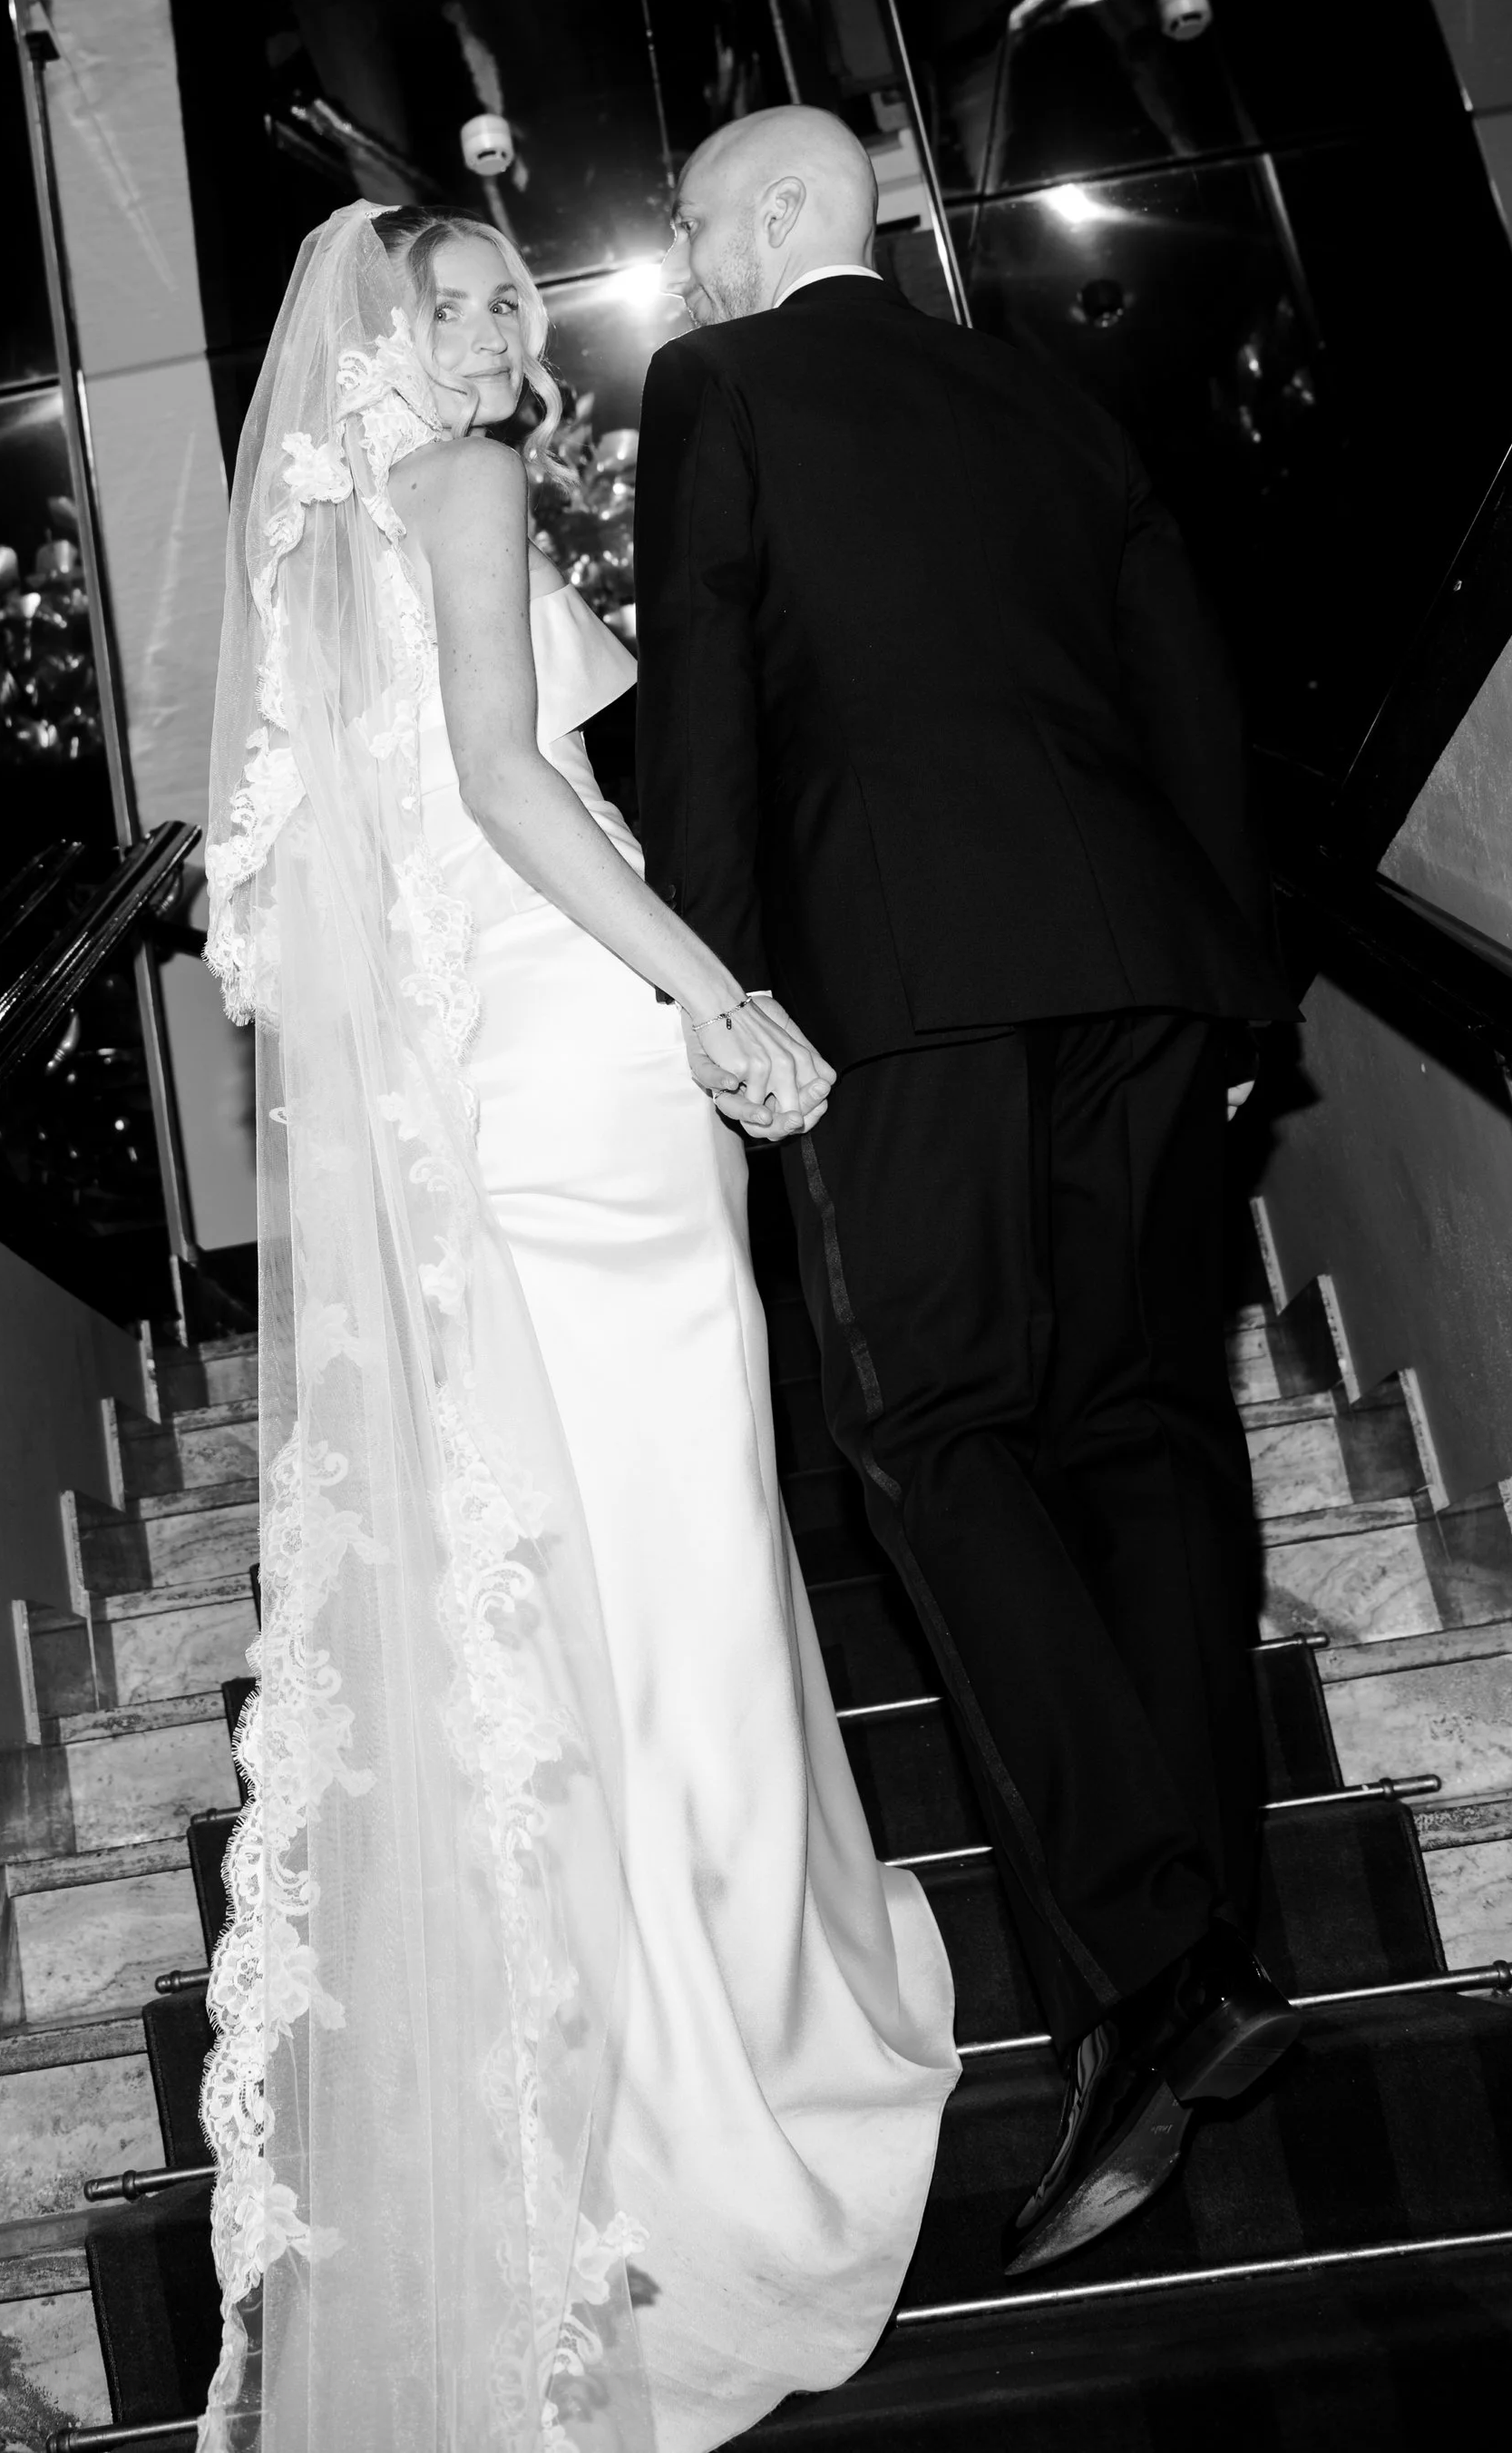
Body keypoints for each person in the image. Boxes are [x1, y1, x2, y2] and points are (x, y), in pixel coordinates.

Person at [199, 200, 957, 2453]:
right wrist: (710, 988)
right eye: (446, 304)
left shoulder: (320, 542)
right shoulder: (463, 484)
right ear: (379, 337)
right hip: (578, 1041)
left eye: (505, 296)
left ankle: (616, 2071)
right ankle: (721, 2081)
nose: (490, 330)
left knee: (582, 1573)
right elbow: (508, 777)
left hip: (488, 1079)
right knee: (675, 1555)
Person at [632, 104, 1299, 2282]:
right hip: (1139, 966)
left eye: (695, 227)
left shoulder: (719, 384)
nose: (687, 268)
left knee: (929, 1429)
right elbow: (1189, 686)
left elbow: (705, 700)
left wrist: (716, 992)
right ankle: (1206, 1950)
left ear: (775, 217)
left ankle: (1148, 1963)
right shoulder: (1043, 396)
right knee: (1143, 1432)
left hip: (895, 978)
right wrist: (1235, 985)